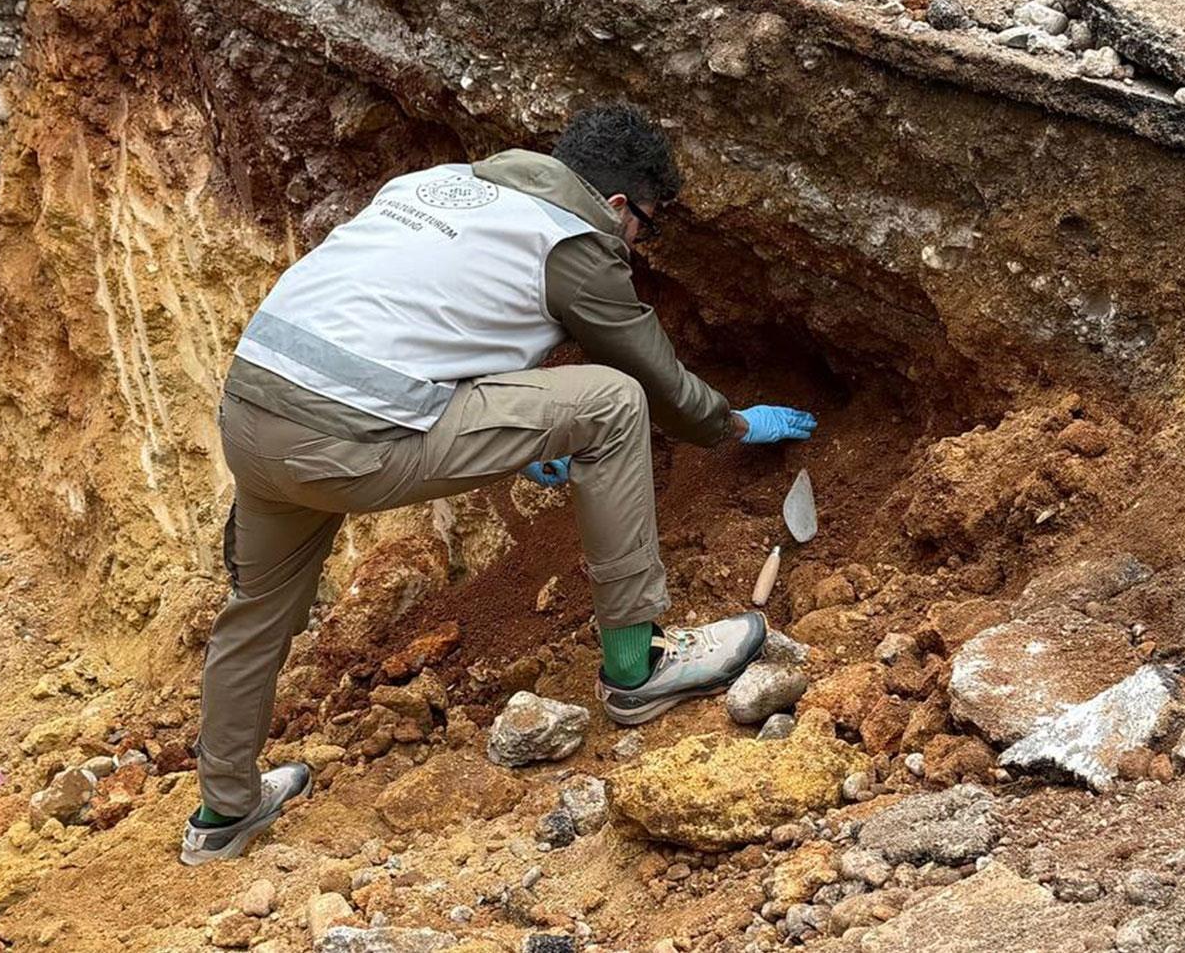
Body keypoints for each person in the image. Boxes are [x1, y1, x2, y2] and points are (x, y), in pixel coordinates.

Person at [180, 104, 817, 864]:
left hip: (252, 414)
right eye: (648, 225)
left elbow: (433, 326)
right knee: (612, 402)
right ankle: (637, 666)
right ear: (617, 206)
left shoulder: (443, 186)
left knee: (257, 609)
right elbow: (656, 378)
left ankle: (224, 809)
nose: (643, 244)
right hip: (349, 438)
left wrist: (519, 445)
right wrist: (733, 426)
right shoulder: (577, 241)